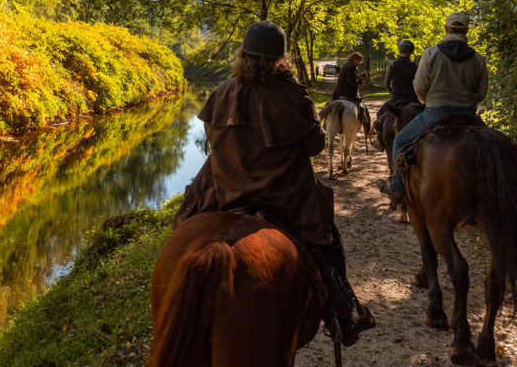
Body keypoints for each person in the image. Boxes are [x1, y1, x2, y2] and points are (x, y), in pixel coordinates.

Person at [176, 21, 375, 346]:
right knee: (326, 242)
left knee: (186, 226)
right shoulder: (293, 94)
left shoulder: (223, 90)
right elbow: (314, 147)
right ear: (281, 59)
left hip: (226, 191)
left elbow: (210, 138)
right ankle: (344, 313)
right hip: (283, 197)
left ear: (244, 56)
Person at [377, 13, 489, 206]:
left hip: (436, 112)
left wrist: (429, 100)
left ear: (446, 29)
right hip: (469, 115)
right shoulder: (478, 58)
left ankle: (396, 187)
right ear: (467, 31)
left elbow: (419, 87)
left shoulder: (431, 53)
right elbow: (482, 93)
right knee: (492, 146)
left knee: (400, 140)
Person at [371, 39, 419, 135]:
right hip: (412, 99)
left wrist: (393, 93)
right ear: (411, 51)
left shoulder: (393, 64)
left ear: (400, 50)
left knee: (380, 115)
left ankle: (380, 141)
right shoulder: (414, 65)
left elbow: (386, 84)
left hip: (396, 98)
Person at [331, 51, 370, 129]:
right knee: (363, 108)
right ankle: (365, 126)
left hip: (338, 93)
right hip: (348, 94)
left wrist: (359, 77)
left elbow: (350, 79)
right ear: (355, 60)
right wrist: (361, 80)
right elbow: (352, 83)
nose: (359, 63)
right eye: (359, 61)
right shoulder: (352, 67)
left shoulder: (346, 66)